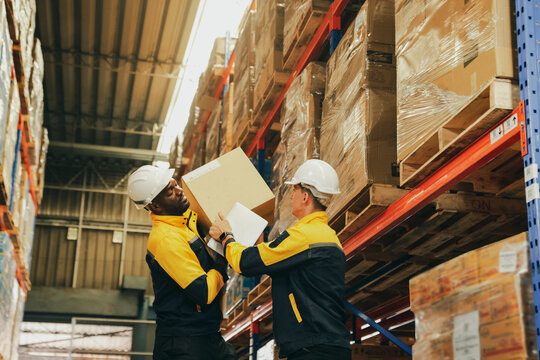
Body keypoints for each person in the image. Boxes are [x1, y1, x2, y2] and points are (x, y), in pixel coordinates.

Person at [209, 159, 351, 360]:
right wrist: (260, 246)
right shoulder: (329, 237)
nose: (291, 195)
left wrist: (226, 237)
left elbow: (245, 263)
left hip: (313, 349)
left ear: (305, 196)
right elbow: (288, 269)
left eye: (295, 190)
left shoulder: (303, 235)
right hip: (329, 346)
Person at [127, 165, 236, 360]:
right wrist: (222, 260)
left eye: (175, 184)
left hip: (205, 335)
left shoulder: (184, 223)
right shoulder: (166, 240)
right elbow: (204, 292)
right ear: (156, 206)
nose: (179, 191)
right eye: (170, 191)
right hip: (183, 344)